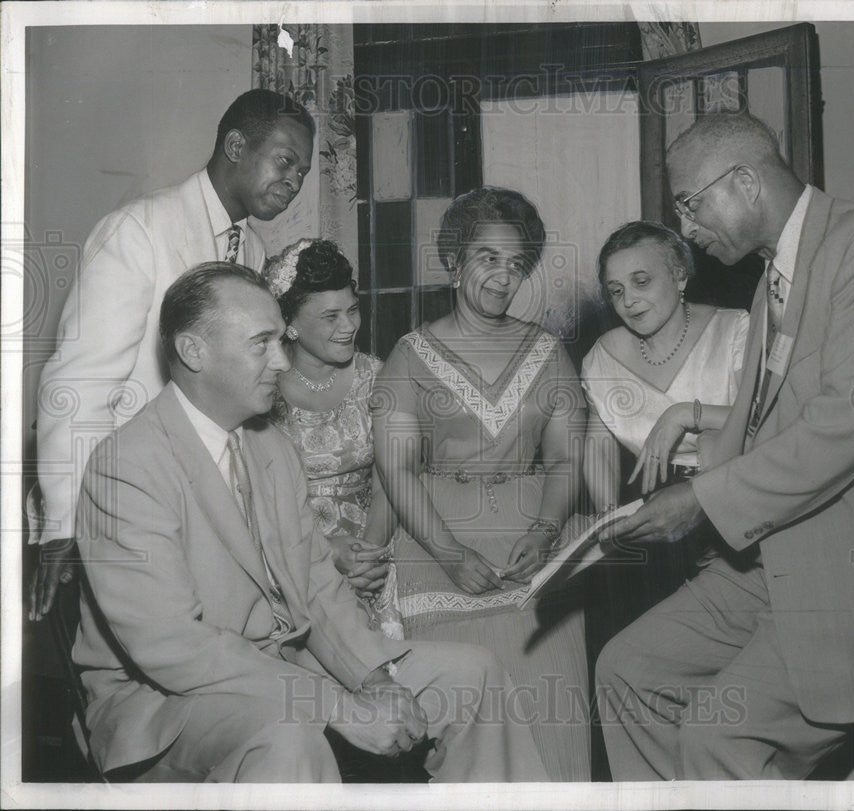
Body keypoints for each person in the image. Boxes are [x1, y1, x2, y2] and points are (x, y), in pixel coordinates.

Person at [72, 261, 549, 783]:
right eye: (262, 343)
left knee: (474, 677)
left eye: (281, 340)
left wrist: (375, 677)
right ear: (193, 352)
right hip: (166, 702)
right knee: (289, 731)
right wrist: (338, 707)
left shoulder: (267, 444)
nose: (281, 361)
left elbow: (316, 585)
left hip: (287, 665)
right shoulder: (127, 468)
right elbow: (174, 648)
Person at [595, 112, 854, 780]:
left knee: (718, 735)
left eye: (690, 204)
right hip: (782, 558)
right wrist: (660, 496)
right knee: (627, 670)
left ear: (745, 182)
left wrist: (702, 498)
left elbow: (846, 426)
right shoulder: (775, 277)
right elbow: (763, 419)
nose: (686, 229)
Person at [30, 89, 316, 620]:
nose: (294, 182)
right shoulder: (140, 230)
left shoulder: (250, 251)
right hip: (124, 498)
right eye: (285, 161)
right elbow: (80, 385)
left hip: (204, 504)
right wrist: (65, 522)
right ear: (235, 145)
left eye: (302, 171)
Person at [372, 187, 591, 781]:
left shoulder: (549, 353)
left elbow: (569, 457)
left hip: (534, 553)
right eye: (488, 258)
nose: (503, 276)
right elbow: (393, 468)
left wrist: (548, 531)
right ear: (452, 260)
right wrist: (448, 552)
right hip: (437, 549)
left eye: (516, 263)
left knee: (552, 717)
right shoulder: (409, 355)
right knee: (469, 735)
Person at [581, 221, 748, 635]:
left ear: (679, 275)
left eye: (641, 281)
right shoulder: (602, 357)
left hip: (734, 506)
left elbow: (766, 418)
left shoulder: (735, 329)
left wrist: (682, 414)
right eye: (616, 290)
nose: (629, 301)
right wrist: (606, 516)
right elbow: (599, 445)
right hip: (654, 524)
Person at [265, 238, 403, 640]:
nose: (348, 326)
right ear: (290, 323)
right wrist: (323, 550)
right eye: (330, 316)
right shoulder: (263, 389)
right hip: (292, 547)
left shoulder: (377, 377)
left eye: (353, 310)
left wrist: (368, 555)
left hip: (376, 543)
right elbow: (257, 496)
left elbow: (392, 479)